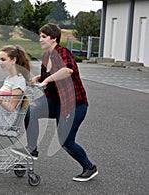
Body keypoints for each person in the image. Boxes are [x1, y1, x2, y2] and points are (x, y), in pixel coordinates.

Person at [10, 23, 98, 182]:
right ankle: (32, 149)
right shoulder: (47, 56)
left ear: (54, 38)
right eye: (40, 36)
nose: (40, 39)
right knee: (32, 110)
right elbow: (47, 76)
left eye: (44, 36)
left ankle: (89, 167)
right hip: (55, 101)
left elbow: (67, 70)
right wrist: (38, 79)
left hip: (74, 104)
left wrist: (48, 79)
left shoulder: (62, 52)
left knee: (66, 142)